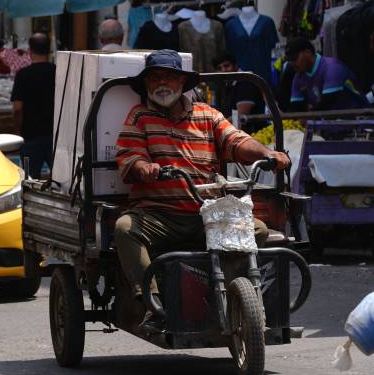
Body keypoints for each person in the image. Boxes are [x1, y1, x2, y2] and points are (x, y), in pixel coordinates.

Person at [114, 50, 291, 329]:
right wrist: (143, 167)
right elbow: (130, 156)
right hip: (160, 216)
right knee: (125, 228)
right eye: (155, 78)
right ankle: (150, 302)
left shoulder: (208, 115)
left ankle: (232, 293)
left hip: (207, 213)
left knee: (257, 230)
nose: (162, 84)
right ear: (146, 84)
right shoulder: (139, 117)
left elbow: (237, 141)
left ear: (182, 83)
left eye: (169, 77)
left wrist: (269, 154)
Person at [9, 32, 55, 179]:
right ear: (49, 50)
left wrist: (17, 131)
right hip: (56, 137)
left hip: (30, 138)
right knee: (61, 181)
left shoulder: (23, 75)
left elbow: (17, 108)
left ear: (29, 51)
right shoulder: (59, 72)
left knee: (30, 180)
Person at [285, 37, 369, 111]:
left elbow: (326, 105)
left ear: (308, 52)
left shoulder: (332, 67)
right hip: (331, 122)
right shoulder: (299, 76)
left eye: (294, 58)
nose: (292, 63)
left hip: (360, 119)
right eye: (289, 60)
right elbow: (295, 108)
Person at [213, 52, 264, 127]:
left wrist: (215, 125)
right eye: (219, 68)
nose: (223, 70)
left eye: (227, 66)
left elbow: (239, 117)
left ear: (236, 66)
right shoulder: (226, 84)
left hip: (252, 134)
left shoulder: (245, 82)